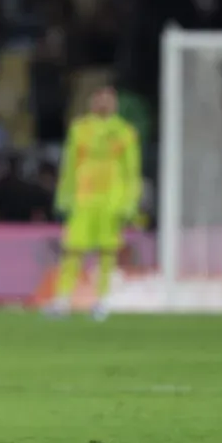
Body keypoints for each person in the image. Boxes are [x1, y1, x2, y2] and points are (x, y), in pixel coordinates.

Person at [51, 85, 141, 321]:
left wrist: (129, 201)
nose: (103, 103)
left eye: (108, 100)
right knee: (73, 249)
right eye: (99, 99)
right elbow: (69, 164)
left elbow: (132, 169)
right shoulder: (80, 129)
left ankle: (102, 301)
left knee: (107, 251)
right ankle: (62, 300)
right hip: (83, 197)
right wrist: (64, 195)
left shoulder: (124, 131)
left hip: (111, 199)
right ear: (92, 102)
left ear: (115, 104)